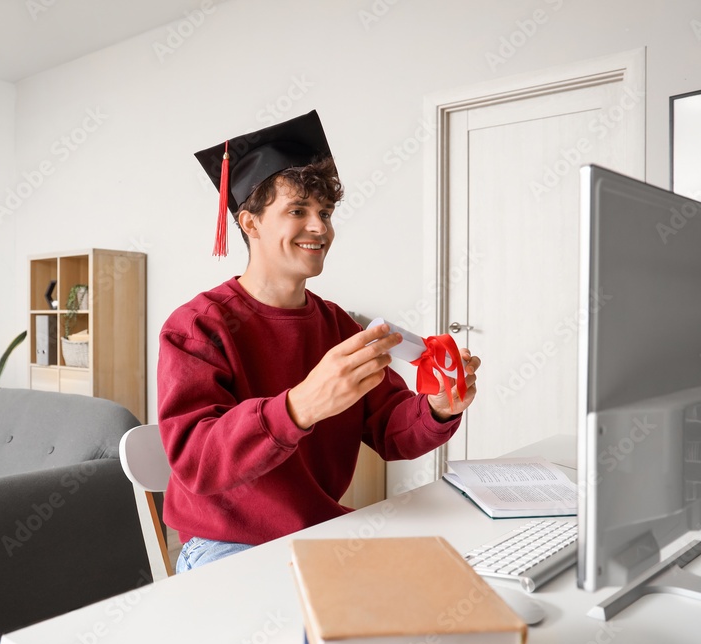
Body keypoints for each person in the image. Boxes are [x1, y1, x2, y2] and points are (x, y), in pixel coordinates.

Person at [158, 110, 480, 573]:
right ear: (249, 223)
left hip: (319, 530)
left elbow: (391, 429)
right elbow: (196, 462)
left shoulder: (337, 325)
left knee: (437, 580)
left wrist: (438, 407)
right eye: (298, 211)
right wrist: (299, 407)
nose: (320, 228)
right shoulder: (197, 327)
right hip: (229, 543)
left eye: (325, 213)